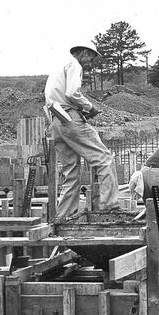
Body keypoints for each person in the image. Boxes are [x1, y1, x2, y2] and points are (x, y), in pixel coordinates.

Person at [44, 43, 119, 220]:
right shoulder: (74, 65)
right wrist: (90, 107)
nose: (90, 63)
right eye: (91, 58)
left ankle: (64, 216)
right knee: (104, 159)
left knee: (71, 171)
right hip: (70, 119)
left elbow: (57, 97)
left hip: (56, 121)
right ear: (84, 53)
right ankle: (110, 207)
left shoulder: (58, 68)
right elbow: (72, 93)